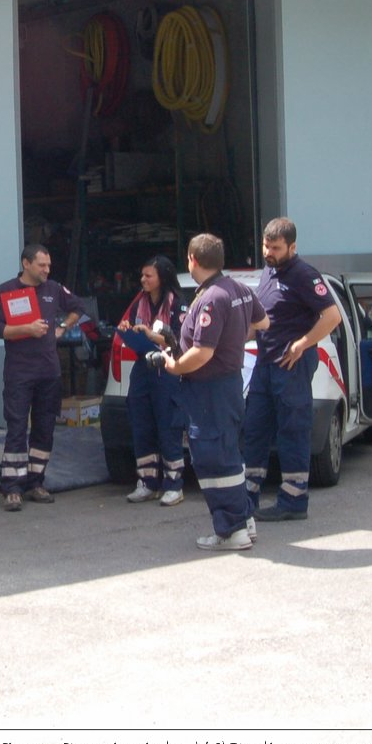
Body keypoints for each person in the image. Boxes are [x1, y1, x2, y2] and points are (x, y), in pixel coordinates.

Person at [164, 234, 267, 551]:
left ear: (192, 259)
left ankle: (231, 529)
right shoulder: (238, 289)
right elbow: (262, 322)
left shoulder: (211, 298)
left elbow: (203, 353)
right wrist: (233, 339)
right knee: (229, 456)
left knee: (213, 459)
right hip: (229, 385)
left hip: (209, 390)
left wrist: (174, 366)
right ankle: (244, 520)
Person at [243, 218, 343, 523]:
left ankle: (294, 501)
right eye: (266, 246)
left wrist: (302, 344)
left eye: (276, 248)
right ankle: (248, 498)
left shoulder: (304, 275)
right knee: (255, 428)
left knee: (292, 431)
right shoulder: (268, 271)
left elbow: (333, 315)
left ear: (292, 247)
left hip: (291, 366)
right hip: (265, 364)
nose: (269, 253)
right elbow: (262, 319)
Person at [0, 244, 84, 512]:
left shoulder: (53, 289)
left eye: (48, 265)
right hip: (19, 372)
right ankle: (12, 488)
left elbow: (78, 306)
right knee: (17, 427)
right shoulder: (5, 291)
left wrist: (62, 328)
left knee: (45, 427)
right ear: (26, 264)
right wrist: (24, 328)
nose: (46, 270)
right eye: (42, 265)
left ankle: (36, 481)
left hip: (49, 372)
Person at [116, 255, 188, 507]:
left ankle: (173, 484)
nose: (143, 280)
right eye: (142, 275)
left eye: (149, 275)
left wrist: (152, 335)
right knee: (141, 424)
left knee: (168, 427)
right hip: (142, 369)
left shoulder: (177, 304)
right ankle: (147, 482)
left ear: (162, 278)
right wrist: (129, 329)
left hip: (167, 370)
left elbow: (181, 341)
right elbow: (135, 327)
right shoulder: (140, 303)